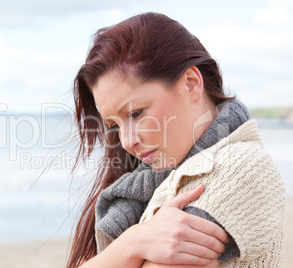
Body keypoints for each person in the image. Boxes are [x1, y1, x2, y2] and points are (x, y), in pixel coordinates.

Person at [67, 12, 286, 268]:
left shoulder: (240, 168)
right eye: (114, 125)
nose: (126, 142)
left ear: (191, 84)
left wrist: (125, 250)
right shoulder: (148, 182)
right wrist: (134, 243)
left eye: (137, 113)